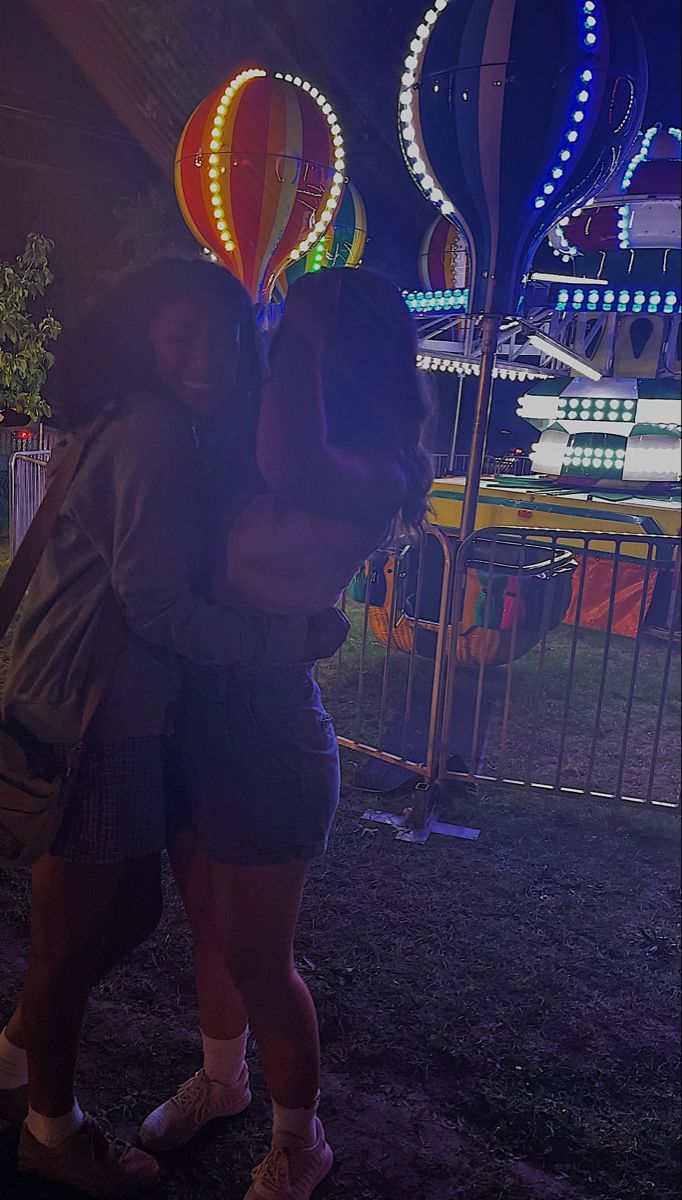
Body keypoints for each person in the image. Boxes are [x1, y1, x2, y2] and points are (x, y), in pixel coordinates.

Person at [0, 258, 348, 1199]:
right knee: (74, 936)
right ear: (143, 338)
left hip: (100, 706)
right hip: (96, 715)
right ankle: (52, 1127)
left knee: (123, 913)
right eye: (180, 335)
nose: (207, 357)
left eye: (225, 336)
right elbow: (155, 607)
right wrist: (281, 636)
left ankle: (23, 1059)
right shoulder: (152, 432)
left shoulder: (147, 422)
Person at [139, 268, 434, 1200]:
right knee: (209, 927)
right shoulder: (288, 433)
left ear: (361, 356)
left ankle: (299, 1140)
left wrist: (302, 321)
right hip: (202, 704)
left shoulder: (374, 466)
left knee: (262, 957)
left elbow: (284, 457)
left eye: (317, 343)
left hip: (270, 724)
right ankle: (223, 1083)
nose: (293, 357)